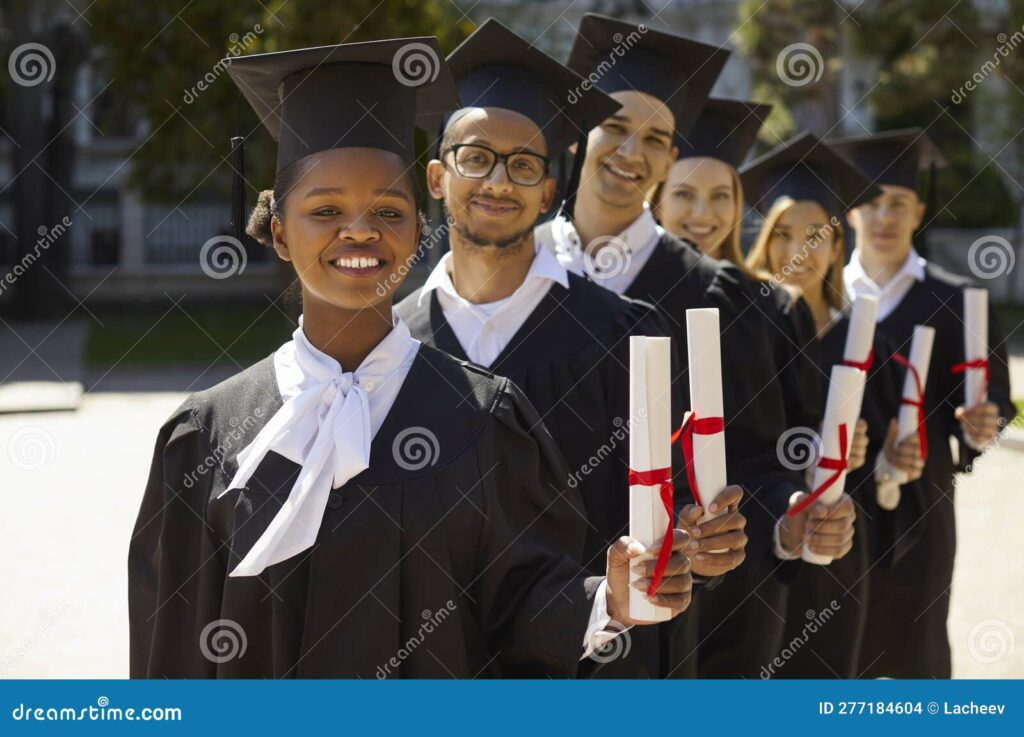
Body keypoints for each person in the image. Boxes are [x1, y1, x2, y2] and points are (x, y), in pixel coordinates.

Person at [128, 38, 694, 679]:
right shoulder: (206, 434)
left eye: (388, 211)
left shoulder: (486, 417)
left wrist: (608, 602)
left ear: (416, 225)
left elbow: (519, 607)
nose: (360, 231)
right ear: (279, 231)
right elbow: (169, 649)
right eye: (325, 210)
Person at [395, 20, 745, 677]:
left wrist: (700, 542)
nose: (499, 181)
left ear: (549, 188)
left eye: (524, 164)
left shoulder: (625, 335)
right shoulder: (391, 346)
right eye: (476, 158)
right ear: (438, 177)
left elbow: (673, 515)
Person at [535, 13, 858, 678]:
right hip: (515, 606)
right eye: (616, 127)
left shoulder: (717, 297)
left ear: (671, 155)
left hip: (661, 619)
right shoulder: (516, 271)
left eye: (655, 138)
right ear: (579, 132)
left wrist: (786, 516)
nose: (632, 151)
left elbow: (756, 462)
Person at [830, 128, 1016, 678]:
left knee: (919, 649)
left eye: (899, 205)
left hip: (922, 508)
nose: (884, 217)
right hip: (835, 509)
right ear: (850, 211)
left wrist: (984, 426)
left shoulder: (954, 300)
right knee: (837, 649)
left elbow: (990, 404)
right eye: (872, 202)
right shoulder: (823, 302)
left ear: (919, 212)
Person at [742, 132, 926, 677]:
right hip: (757, 541)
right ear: (764, 240)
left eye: (814, 235)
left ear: (837, 245)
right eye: (782, 234)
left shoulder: (868, 343)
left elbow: (893, 468)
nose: (797, 250)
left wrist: (889, 458)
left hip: (841, 538)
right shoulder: (742, 333)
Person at [648, 96, 821, 442]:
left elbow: (803, 428)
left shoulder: (775, 308)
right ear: (657, 201)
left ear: (737, 204)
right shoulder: (621, 298)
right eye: (683, 194)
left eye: (720, 196)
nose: (702, 214)